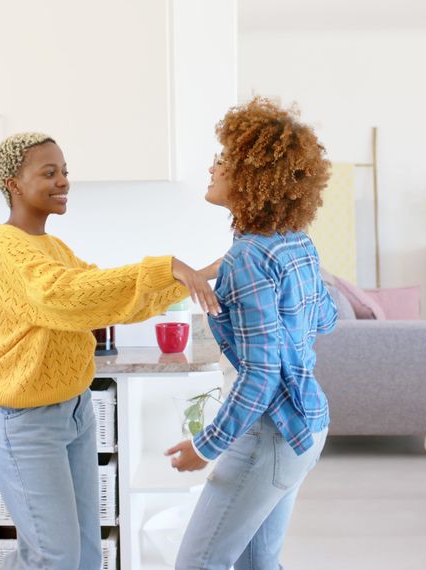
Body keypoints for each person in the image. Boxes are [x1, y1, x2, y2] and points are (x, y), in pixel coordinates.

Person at [0, 132, 220, 570]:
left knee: (85, 552)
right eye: (49, 172)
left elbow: (103, 300)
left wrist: (188, 277)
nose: (63, 181)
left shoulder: (52, 247)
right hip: (23, 419)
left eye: (65, 171)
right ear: (13, 182)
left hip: (73, 410)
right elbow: (64, 295)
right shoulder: (3, 244)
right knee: (55, 556)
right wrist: (163, 267)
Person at [167, 98, 338, 569]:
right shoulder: (295, 244)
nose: (212, 167)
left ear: (250, 176)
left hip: (270, 434)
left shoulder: (249, 259)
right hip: (307, 426)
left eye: (222, 159)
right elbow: (325, 318)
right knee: (258, 565)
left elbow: (260, 375)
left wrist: (206, 446)